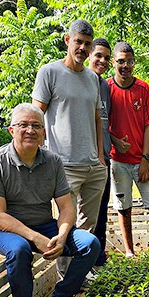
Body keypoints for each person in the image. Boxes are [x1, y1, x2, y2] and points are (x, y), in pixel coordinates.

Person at [0, 104, 100, 297]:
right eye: (23, 125)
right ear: (11, 130)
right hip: (8, 230)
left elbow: (66, 207)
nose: (30, 130)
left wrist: (63, 234)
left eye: (36, 125)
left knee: (90, 243)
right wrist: (34, 237)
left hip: (45, 225)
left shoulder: (53, 161)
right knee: (19, 250)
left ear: (44, 133)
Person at [32, 19, 107, 235]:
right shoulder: (49, 72)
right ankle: (65, 270)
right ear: (67, 40)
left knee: (88, 227)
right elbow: (37, 116)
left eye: (87, 44)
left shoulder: (93, 78)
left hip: (93, 166)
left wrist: (100, 158)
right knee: (66, 226)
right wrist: (38, 157)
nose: (82, 48)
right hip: (64, 165)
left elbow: (97, 118)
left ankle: (81, 269)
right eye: (78, 42)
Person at [107, 42, 149, 255]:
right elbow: (101, 122)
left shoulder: (143, 88)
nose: (125, 65)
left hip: (142, 160)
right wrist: (114, 140)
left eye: (129, 61)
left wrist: (144, 158)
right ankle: (129, 252)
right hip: (117, 161)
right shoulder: (107, 88)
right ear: (113, 62)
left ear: (134, 62)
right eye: (121, 61)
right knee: (123, 208)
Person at [89, 37, 112, 267]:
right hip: (84, 162)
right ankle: (82, 265)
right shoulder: (80, 81)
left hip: (104, 159)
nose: (102, 61)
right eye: (98, 56)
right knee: (82, 217)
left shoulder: (105, 86)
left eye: (106, 57)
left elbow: (105, 123)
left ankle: (99, 259)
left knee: (102, 212)